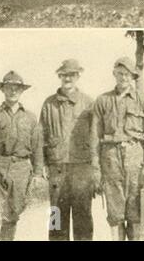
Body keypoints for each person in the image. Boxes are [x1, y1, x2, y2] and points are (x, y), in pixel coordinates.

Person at [90, 57, 144, 240]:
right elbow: (94, 137)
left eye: (127, 74)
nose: (123, 77)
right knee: (115, 213)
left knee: (136, 211)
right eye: (120, 73)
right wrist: (96, 170)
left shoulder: (143, 100)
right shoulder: (103, 101)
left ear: (133, 76)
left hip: (135, 158)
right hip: (110, 159)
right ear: (114, 74)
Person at [40, 59, 95, 240]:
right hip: (57, 168)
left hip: (81, 167)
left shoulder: (88, 103)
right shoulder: (49, 104)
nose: (67, 78)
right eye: (64, 75)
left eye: (71, 75)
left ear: (78, 76)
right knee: (56, 215)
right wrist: (42, 164)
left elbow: (96, 136)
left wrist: (95, 167)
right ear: (59, 76)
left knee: (83, 215)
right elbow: (41, 135)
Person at [0, 71, 44, 240]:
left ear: (21, 91)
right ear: (3, 90)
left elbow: (37, 147)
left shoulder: (30, 118)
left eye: (17, 88)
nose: (13, 91)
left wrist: (37, 174)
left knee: (12, 213)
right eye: (9, 88)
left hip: (21, 169)